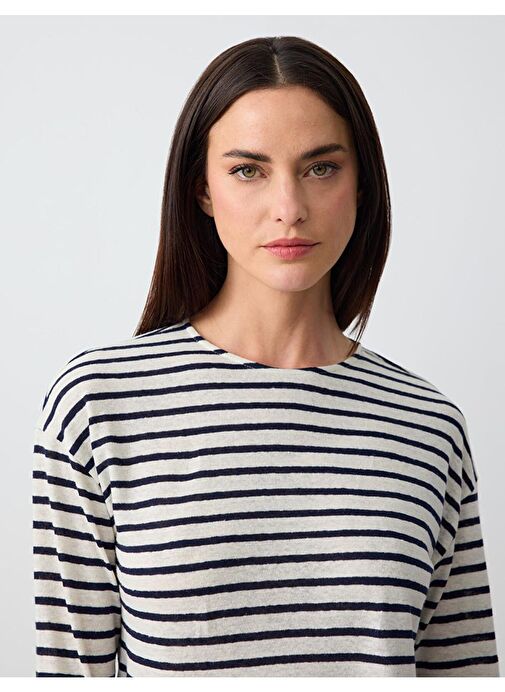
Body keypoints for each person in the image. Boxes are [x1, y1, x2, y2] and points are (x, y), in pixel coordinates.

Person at [32, 35, 500, 677]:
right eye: (248, 170)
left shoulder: (428, 426)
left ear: (362, 185)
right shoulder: (99, 405)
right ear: (202, 190)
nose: (289, 209)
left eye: (321, 168)